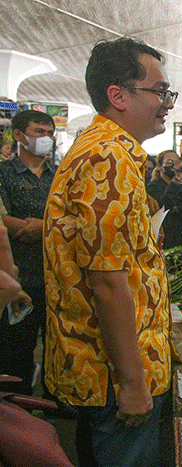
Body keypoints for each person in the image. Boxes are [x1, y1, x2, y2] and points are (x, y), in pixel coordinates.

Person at [43, 37, 175, 466]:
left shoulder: (106, 152)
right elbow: (107, 284)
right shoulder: (108, 158)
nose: (167, 103)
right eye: (159, 91)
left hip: (103, 373)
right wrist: (134, 386)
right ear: (117, 96)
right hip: (114, 379)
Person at [0, 109, 56, 396]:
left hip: (55, 274)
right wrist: (26, 226)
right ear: (19, 136)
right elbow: (1, 218)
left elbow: (71, 216)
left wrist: (43, 227)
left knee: (57, 345)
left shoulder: (59, 175)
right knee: (15, 345)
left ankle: (54, 403)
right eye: (39, 132)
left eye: (49, 133)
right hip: (16, 274)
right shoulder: (4, 173)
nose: (46, 139)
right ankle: (16, 406)